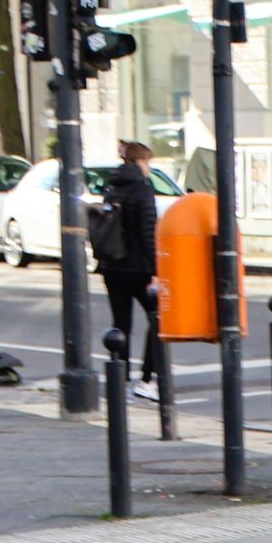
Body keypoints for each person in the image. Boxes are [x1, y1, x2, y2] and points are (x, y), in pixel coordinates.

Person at [94, 140, 163, 399]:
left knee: (120, 325)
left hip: (112, 266)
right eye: (148, 162)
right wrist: (156, 269)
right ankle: (147, 379)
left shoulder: (113, 188)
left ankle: (120, 381)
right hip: (138, 268)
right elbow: (148, 233)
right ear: (141, 162)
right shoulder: (142, 191)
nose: (149, 168)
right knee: (158, 319)